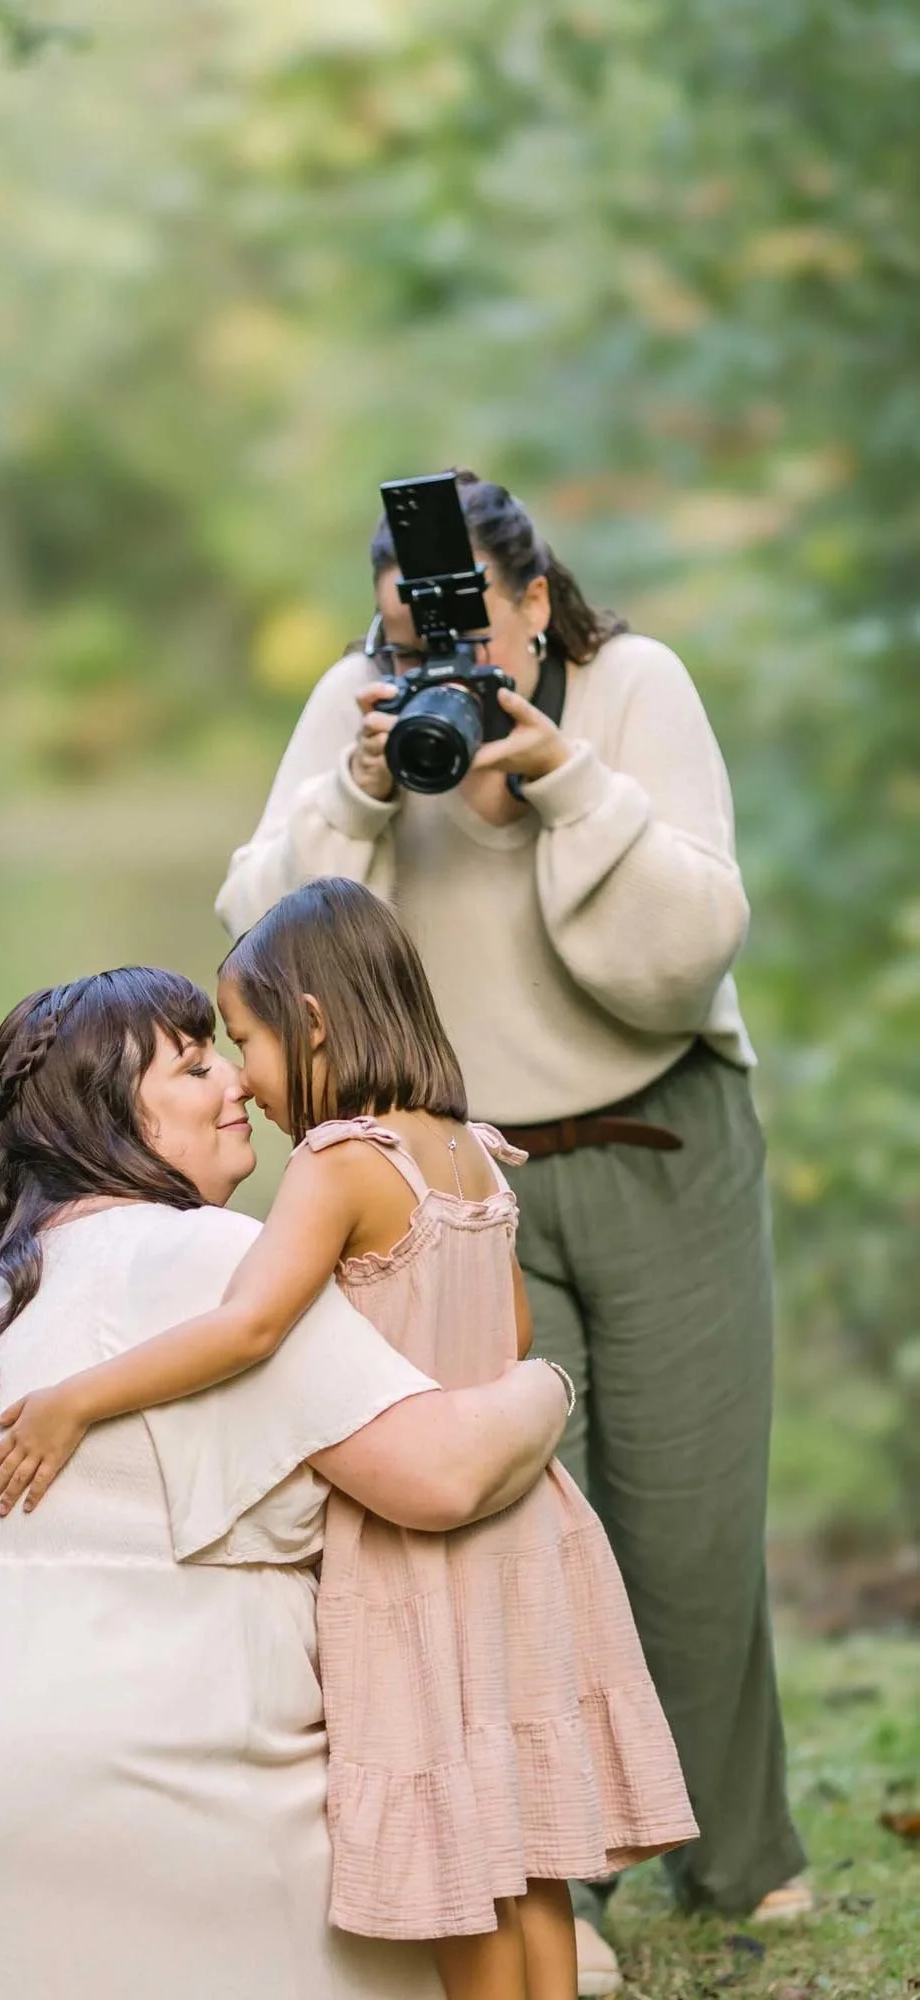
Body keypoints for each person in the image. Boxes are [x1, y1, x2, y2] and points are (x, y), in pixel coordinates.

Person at [211, 473, 808, 1993]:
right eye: (412, 636)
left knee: (681, 1523)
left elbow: (670, 968)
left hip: (658, 1135)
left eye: (470, 627)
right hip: (456, 1184)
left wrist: (561, 785)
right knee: (505, 1539)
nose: (440, 667)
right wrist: (355, 791)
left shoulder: (630, 691)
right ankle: (566, 1878)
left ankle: (740, 1852)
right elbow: (265, 947)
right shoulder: (360, 706)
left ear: (537, 606)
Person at [0, 966, 570, 2000]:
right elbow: (440, 1474)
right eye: (196, 1062)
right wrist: (546, 1386)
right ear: (106, 1108)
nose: (238, 1084)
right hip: (92, 1809)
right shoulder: (204, 1256)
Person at [0, 881, 697, 2000]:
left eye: (249, 1040)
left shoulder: (338, 1159)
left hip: (412, 1556)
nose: (246, 1079)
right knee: (525, 1840)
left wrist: (82, 1396)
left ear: (312, 1023)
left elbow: (250, 1321)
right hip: (526, 1527)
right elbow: (508, 1335)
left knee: (458, 1843)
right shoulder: (465, 1150)